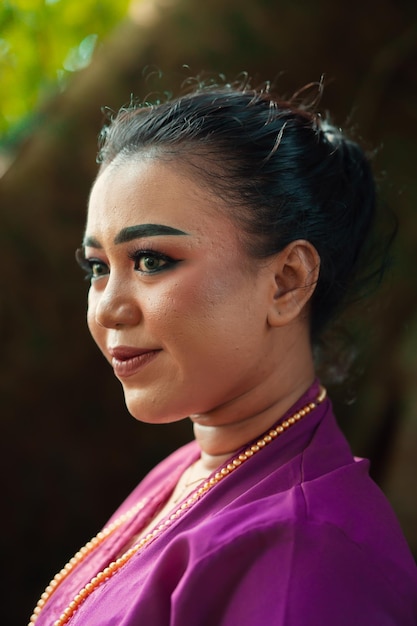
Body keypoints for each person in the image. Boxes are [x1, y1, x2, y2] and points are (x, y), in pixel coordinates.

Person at [29, 79, 417, 626]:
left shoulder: (306, 556)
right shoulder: (193, 465)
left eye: (151, 260)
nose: (108, 308)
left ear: (287, 281)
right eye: (98, 268)